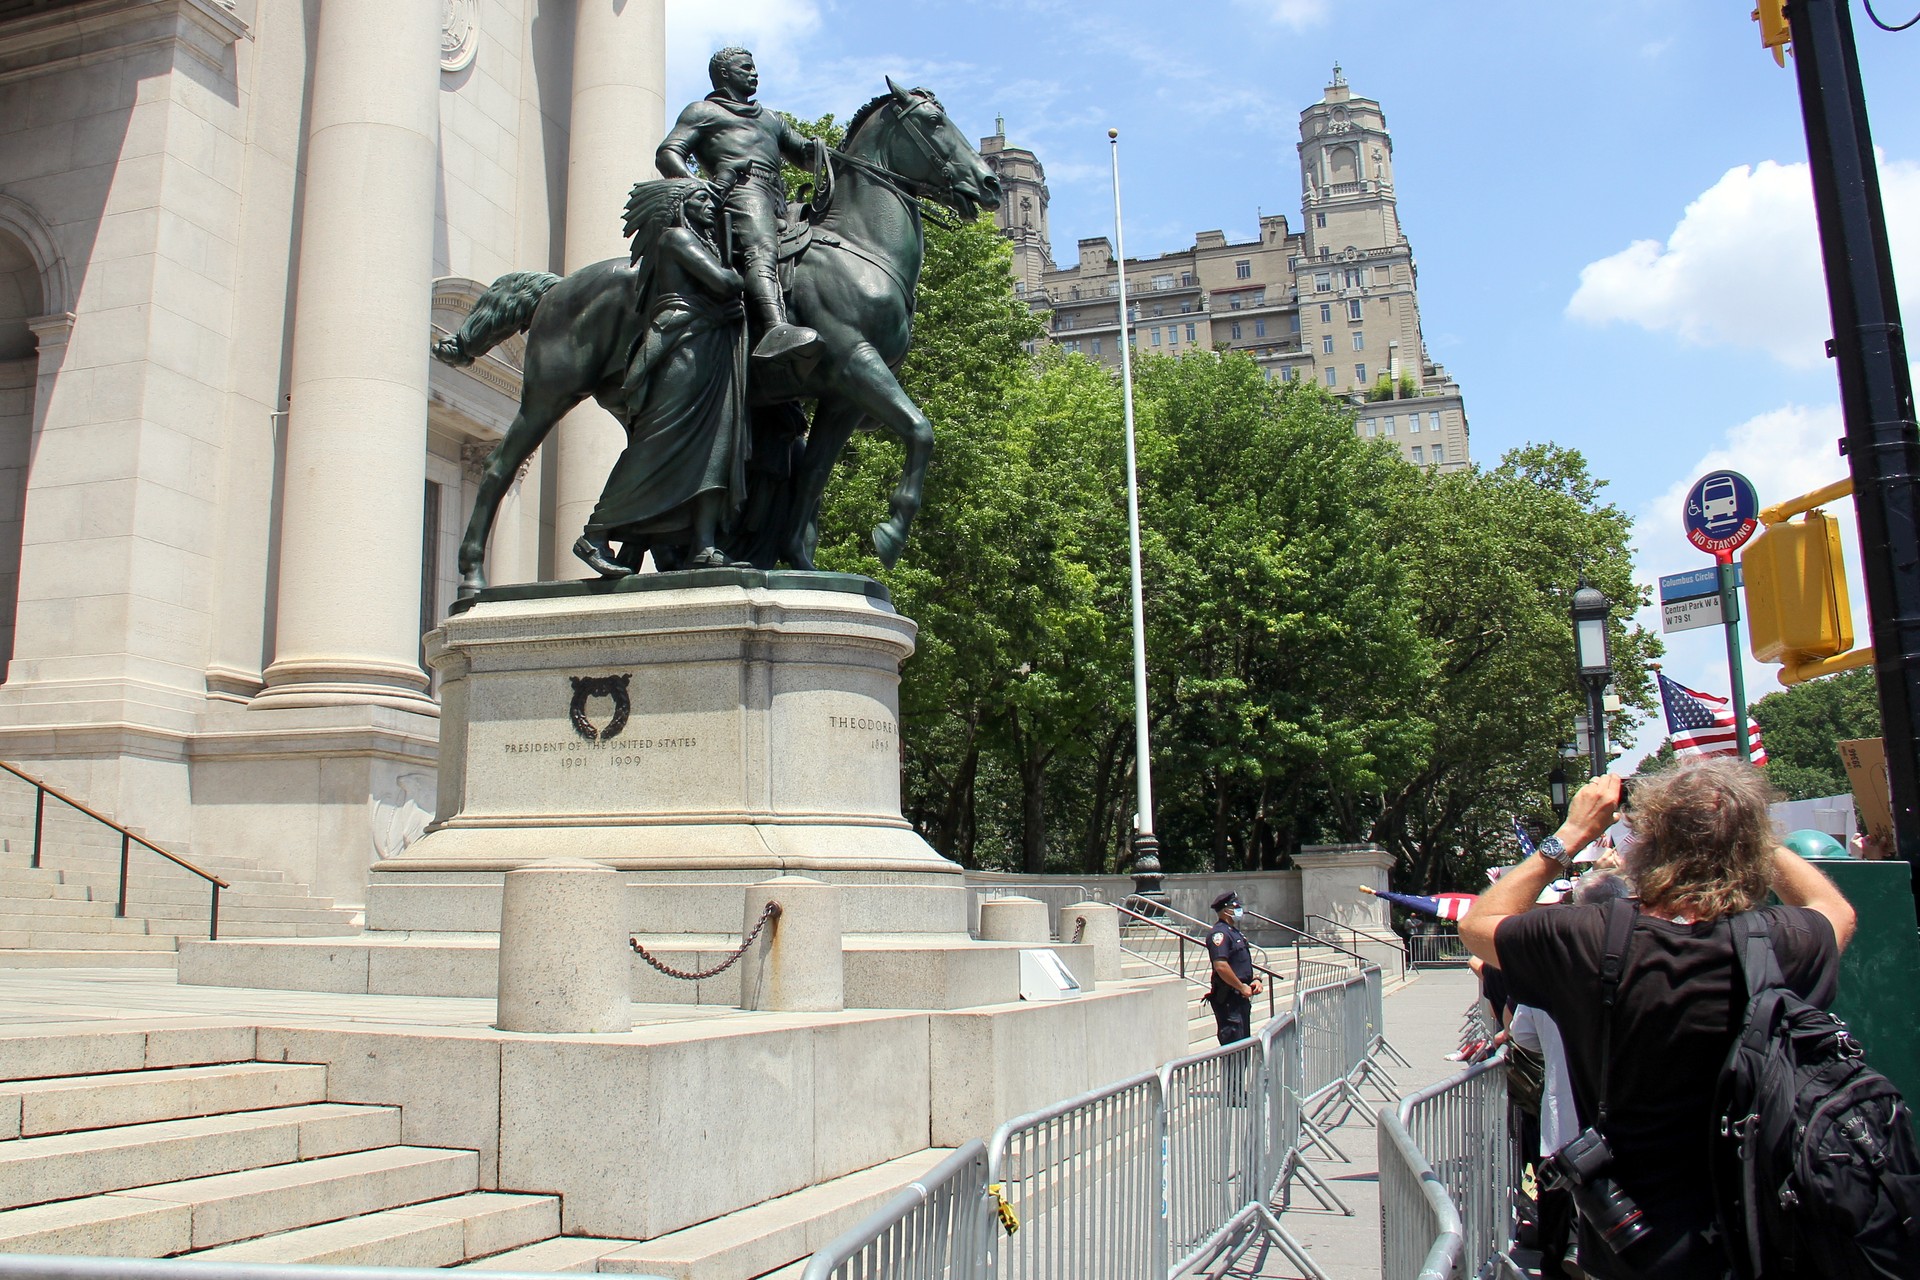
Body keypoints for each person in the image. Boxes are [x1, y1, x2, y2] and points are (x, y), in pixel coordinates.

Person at [1460, 761, 1855, 1280]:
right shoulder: (1781, 942)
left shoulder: (1589, 939)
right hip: (1767, 1221)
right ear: (1750, 847)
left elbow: (1477, 926)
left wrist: (1574, 832)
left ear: (1643, 844)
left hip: (1638, 1236)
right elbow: (1833, 907)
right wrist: (1744, 825)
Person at [577, 179, 749, 575]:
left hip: (712, 347)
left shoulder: (704, 243)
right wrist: (739, 270)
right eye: (702, 200)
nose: (712, 207)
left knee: (716, 447)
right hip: (682, 347)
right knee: (658, 441)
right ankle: (595, 533)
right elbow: (726, 283)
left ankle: (705, 544)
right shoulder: (677, 239)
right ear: (680, 207)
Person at [656, 47, 824, 370]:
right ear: (724, 75)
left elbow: (802, 154)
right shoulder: (702, 111)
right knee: (761, 248)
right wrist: (699, 188)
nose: (754, 73)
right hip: (740, 194)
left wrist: (818, 150)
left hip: (777, 197)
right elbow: (668, 153)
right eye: (745, 67)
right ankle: (776, 327)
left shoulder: (771, 118)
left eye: (754, 67)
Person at [1204, 891, 1263, 1045]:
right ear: (1226, 910)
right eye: (1235, 906)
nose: (1239, 910)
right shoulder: (1219, 934)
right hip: (1230, 999)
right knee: (1233, 1050)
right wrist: (1240, 986)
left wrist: (1255, 979)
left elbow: (1242, 962)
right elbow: (1221, 966)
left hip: (1240, 998)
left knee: (1242, 1048)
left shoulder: (1234, 933)